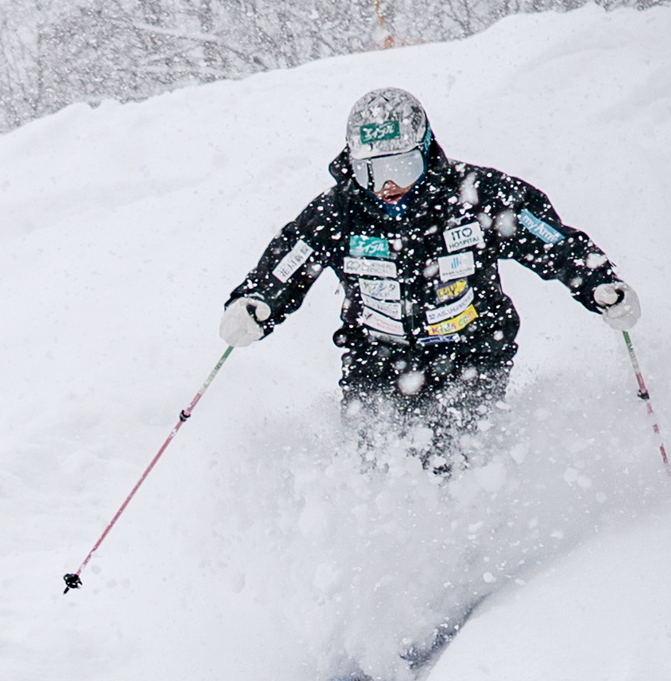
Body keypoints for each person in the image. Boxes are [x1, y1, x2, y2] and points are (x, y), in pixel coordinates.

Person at [220, 88, 640, 470]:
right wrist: (255, 302)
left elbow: (551, 241)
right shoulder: (339, 213)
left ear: (427, 151)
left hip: (472, 354)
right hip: (375, 360)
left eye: (402, 167)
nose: (387, 187)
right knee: (373, 467)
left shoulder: (477, 196)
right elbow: (289, 262)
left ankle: (479, 540)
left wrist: (597, 283)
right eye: (370, 172)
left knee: (459, 461)